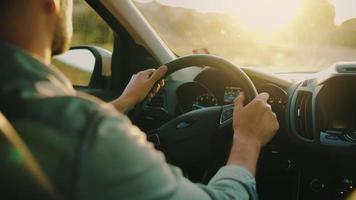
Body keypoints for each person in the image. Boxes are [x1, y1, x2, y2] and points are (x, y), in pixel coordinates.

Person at [0, 0, 279, 199]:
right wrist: (247, 141)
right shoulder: (87, 133)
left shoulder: (35, 114)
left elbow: (48, 131)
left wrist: (123, 102)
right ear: (52, 2)